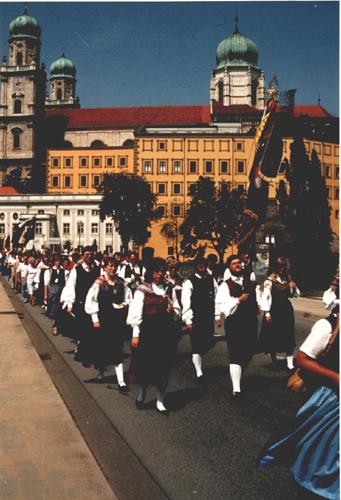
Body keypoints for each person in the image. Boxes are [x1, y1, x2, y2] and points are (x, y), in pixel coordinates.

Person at [258, 308, 339, 499]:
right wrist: (335, 377)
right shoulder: (327, 325)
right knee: (322, 460)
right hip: (332, 400)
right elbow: (302, 359)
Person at [127, 257, 180, 415]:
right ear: (151, 272)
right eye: (156, 271)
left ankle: (160, 401)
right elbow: (135, 312)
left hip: (165, 332)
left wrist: (173, 311)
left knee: (163, 366)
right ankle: (142, 393)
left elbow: (177, 309)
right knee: (146, 365)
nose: (159, 274)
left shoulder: (169, 289)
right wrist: (135, 335)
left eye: (162, 271)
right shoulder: (143, 289)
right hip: (148, 331)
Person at [215, 254, 259, 398]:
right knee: (235, 353)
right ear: (229, 267)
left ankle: (238, 375)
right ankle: (236, 389)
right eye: (234, 263)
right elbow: (222, 304)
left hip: (250, 321)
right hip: (235, 322)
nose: (238, 265)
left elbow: (256, 295)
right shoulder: (225, 285)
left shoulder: (249, 281)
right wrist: (239, 300)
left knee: (248, 352)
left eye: (239, 263)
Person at [85, 258, 132, 389]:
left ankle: (121, 381)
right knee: (102, 346)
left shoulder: (121, 282)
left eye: (114, 266)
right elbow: (91, 300)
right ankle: (101, 371)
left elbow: (129, 297)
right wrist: (95, 319)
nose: (112, 269)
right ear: (105, 267)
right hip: (103, 317)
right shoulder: (99, 282)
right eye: (110, 266)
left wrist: (124, 304)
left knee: (117, 347)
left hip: (117, 319)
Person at [257, 256, 300, 372]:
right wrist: (267, 313)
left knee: (288, 334)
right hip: (274, 310)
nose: (282, 269)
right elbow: (266, 297)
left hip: (286, 309)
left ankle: (290, 363)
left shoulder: (288, 278)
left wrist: (293, 287)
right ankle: (274, 359)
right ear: (275, 267)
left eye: (283, 267)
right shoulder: (269, 280)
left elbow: (295, 295)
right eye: (280, 267)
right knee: (273, 335)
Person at [61, 246, 100, 366]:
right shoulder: (76, 270)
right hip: (81, 304)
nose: (89, 256)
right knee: (83, 329)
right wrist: (69, 303)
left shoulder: (97, 269)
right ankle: (84, 355)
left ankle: (91, 353)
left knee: (93, 330)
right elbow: (70, 286)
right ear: (82, 256)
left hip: (95, 304)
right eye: (87, 254)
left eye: (91, 254)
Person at [181, 257, 217, 383]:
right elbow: (186, 302)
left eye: (203, 264)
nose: (201, 266)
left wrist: (217, 315)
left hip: (208, 316)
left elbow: (216, 297)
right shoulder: (189, 282)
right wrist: (188, 320)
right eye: (199, 264)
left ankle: (196, 358)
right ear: (195, 266)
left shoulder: (211, 280)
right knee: (196, 343)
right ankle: (198, 371)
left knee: (208, 341)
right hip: (195, 316)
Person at [45, 254, 66, 336]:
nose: (58, 262)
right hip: (53, 292)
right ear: (54, 262)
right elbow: (46, 284)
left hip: (61, 291)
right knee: (54, 309)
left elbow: (65, 282)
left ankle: (58, 325)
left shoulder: (63, 270)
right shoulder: (49, 271)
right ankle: (55, 326)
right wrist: (46, 294)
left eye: (59, 261)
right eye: (57, 261)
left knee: (60, 309)